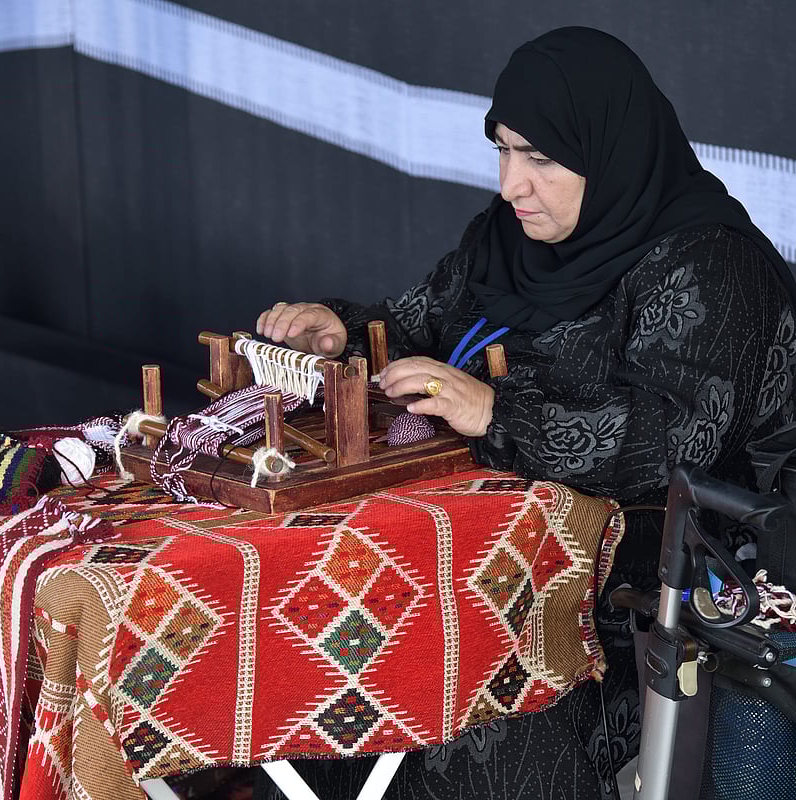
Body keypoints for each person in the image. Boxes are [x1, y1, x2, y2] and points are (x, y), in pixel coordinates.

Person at [254, 27, 796, 800]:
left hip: (639, 611)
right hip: (490, 568)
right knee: (334, 644)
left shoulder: (710, 265)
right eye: (504, 150)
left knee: (465, 702)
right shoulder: (507, 240)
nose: (512, 184)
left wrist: (493, 410)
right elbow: (426, 325)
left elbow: (679, 441)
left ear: (609, 148)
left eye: (541, 158)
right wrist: (346, 331)